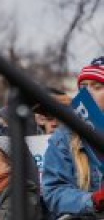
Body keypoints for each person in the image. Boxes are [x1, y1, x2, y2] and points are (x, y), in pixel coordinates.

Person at [42, 56, 104, 219]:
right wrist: (93, 200)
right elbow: (54, 192)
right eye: (83, 87)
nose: (88, 92)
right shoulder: (65, 137)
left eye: (97, 87)